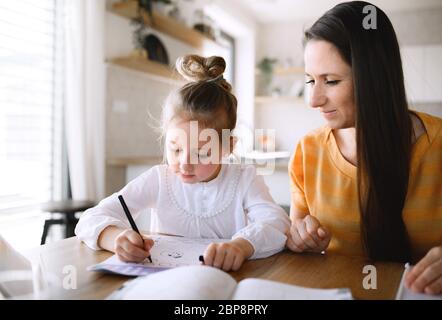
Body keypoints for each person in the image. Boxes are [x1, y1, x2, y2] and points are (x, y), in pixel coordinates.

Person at [75, 55, 290, 272]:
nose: (184, 164)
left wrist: (241, 246)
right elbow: (90, 219)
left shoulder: (244, 178)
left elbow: (276, 222)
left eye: (201, 153)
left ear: (228, 147)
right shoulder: (159, 179)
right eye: (176, 149)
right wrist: (115, 238)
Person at [286, 1, 442, 294]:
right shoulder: (307, 151)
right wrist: (299, 239)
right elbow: (297, 238)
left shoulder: (438, 145)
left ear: (375, 79)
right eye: (310, 80)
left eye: (330, 81)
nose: (313, 99)